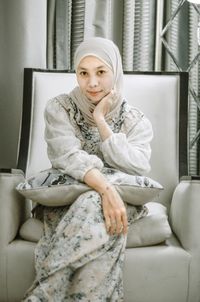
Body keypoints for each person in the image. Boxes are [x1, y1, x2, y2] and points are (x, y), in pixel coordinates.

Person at [23, 37, 153, 301]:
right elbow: (68, 156)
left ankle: (42, 295)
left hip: (119, 206)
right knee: (94, 200)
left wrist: (100, 120)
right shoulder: (59, 108)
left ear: (115, 72)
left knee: (94, 201)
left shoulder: (135, 120)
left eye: (101, 72)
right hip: (66, 202)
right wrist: (106, 189)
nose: (92, 83)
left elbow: (139, 165)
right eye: (83, 73)